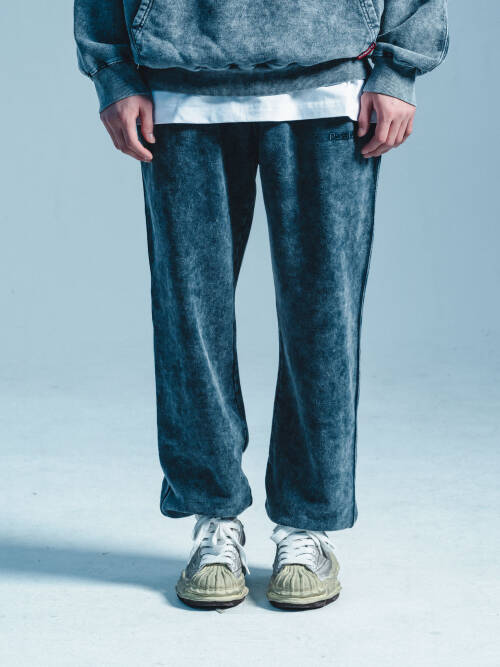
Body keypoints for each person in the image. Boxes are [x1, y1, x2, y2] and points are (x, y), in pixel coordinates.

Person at [74, 0, 448, 610]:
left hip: (328, 79)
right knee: (190, 317)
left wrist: (399, 66)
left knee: (323, 320)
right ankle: (213, 518)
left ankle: (306, 525)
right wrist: (113, 70)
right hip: (181, 77)